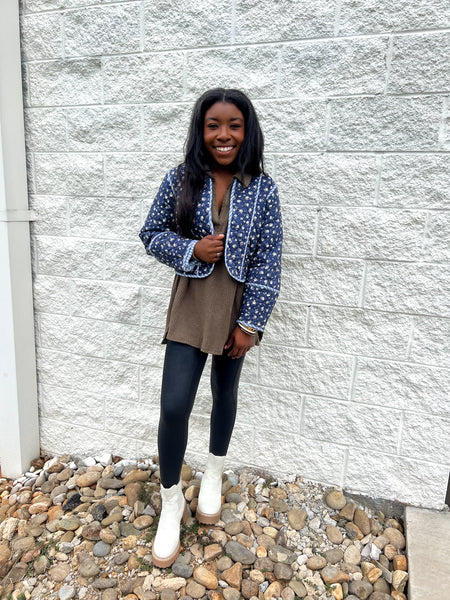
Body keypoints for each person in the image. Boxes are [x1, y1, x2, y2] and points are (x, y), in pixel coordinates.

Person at [139, 88, 282, 567]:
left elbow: (269, 258)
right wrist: (191, 250)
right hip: (192, 304)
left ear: (247, 131)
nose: (224, 134)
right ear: (201, 131)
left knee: (225, 392)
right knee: (174, 404)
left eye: (234, 125)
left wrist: (250, 324)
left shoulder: (263, 189)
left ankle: (215, 472)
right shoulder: (180, 178)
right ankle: (171, 500)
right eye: (213, 125)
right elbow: (151, 233)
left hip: (236, 309)